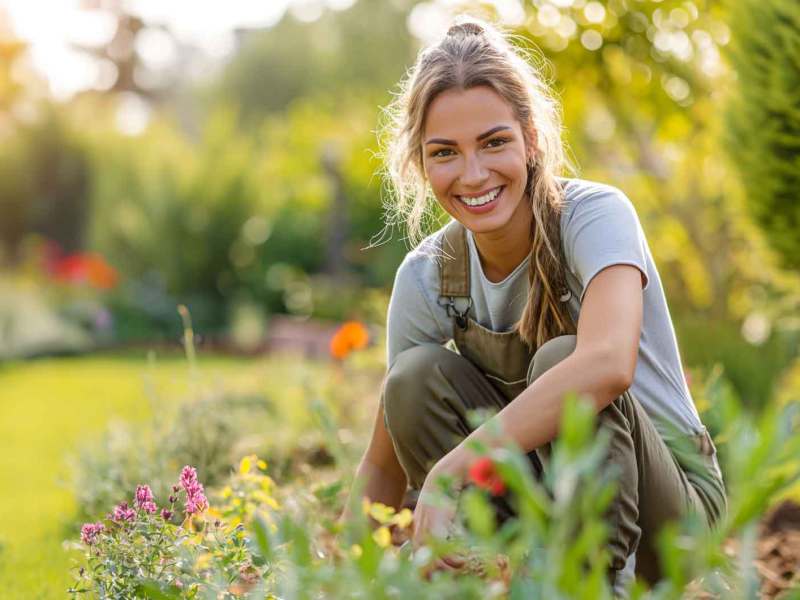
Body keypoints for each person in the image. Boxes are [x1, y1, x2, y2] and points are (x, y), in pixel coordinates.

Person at [341, 17, 727, 592]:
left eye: (494, 142)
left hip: (670, 523)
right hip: (543, 514)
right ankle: (508, 577)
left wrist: (452, 472)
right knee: (412, 378)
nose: (473, 174)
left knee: (566, 364)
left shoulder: (594, 217)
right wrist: (341, 580)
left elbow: (607, 366)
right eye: (445, 152)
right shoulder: (427, 276)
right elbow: (381, 462)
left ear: (532, 139)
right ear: (422, 164)